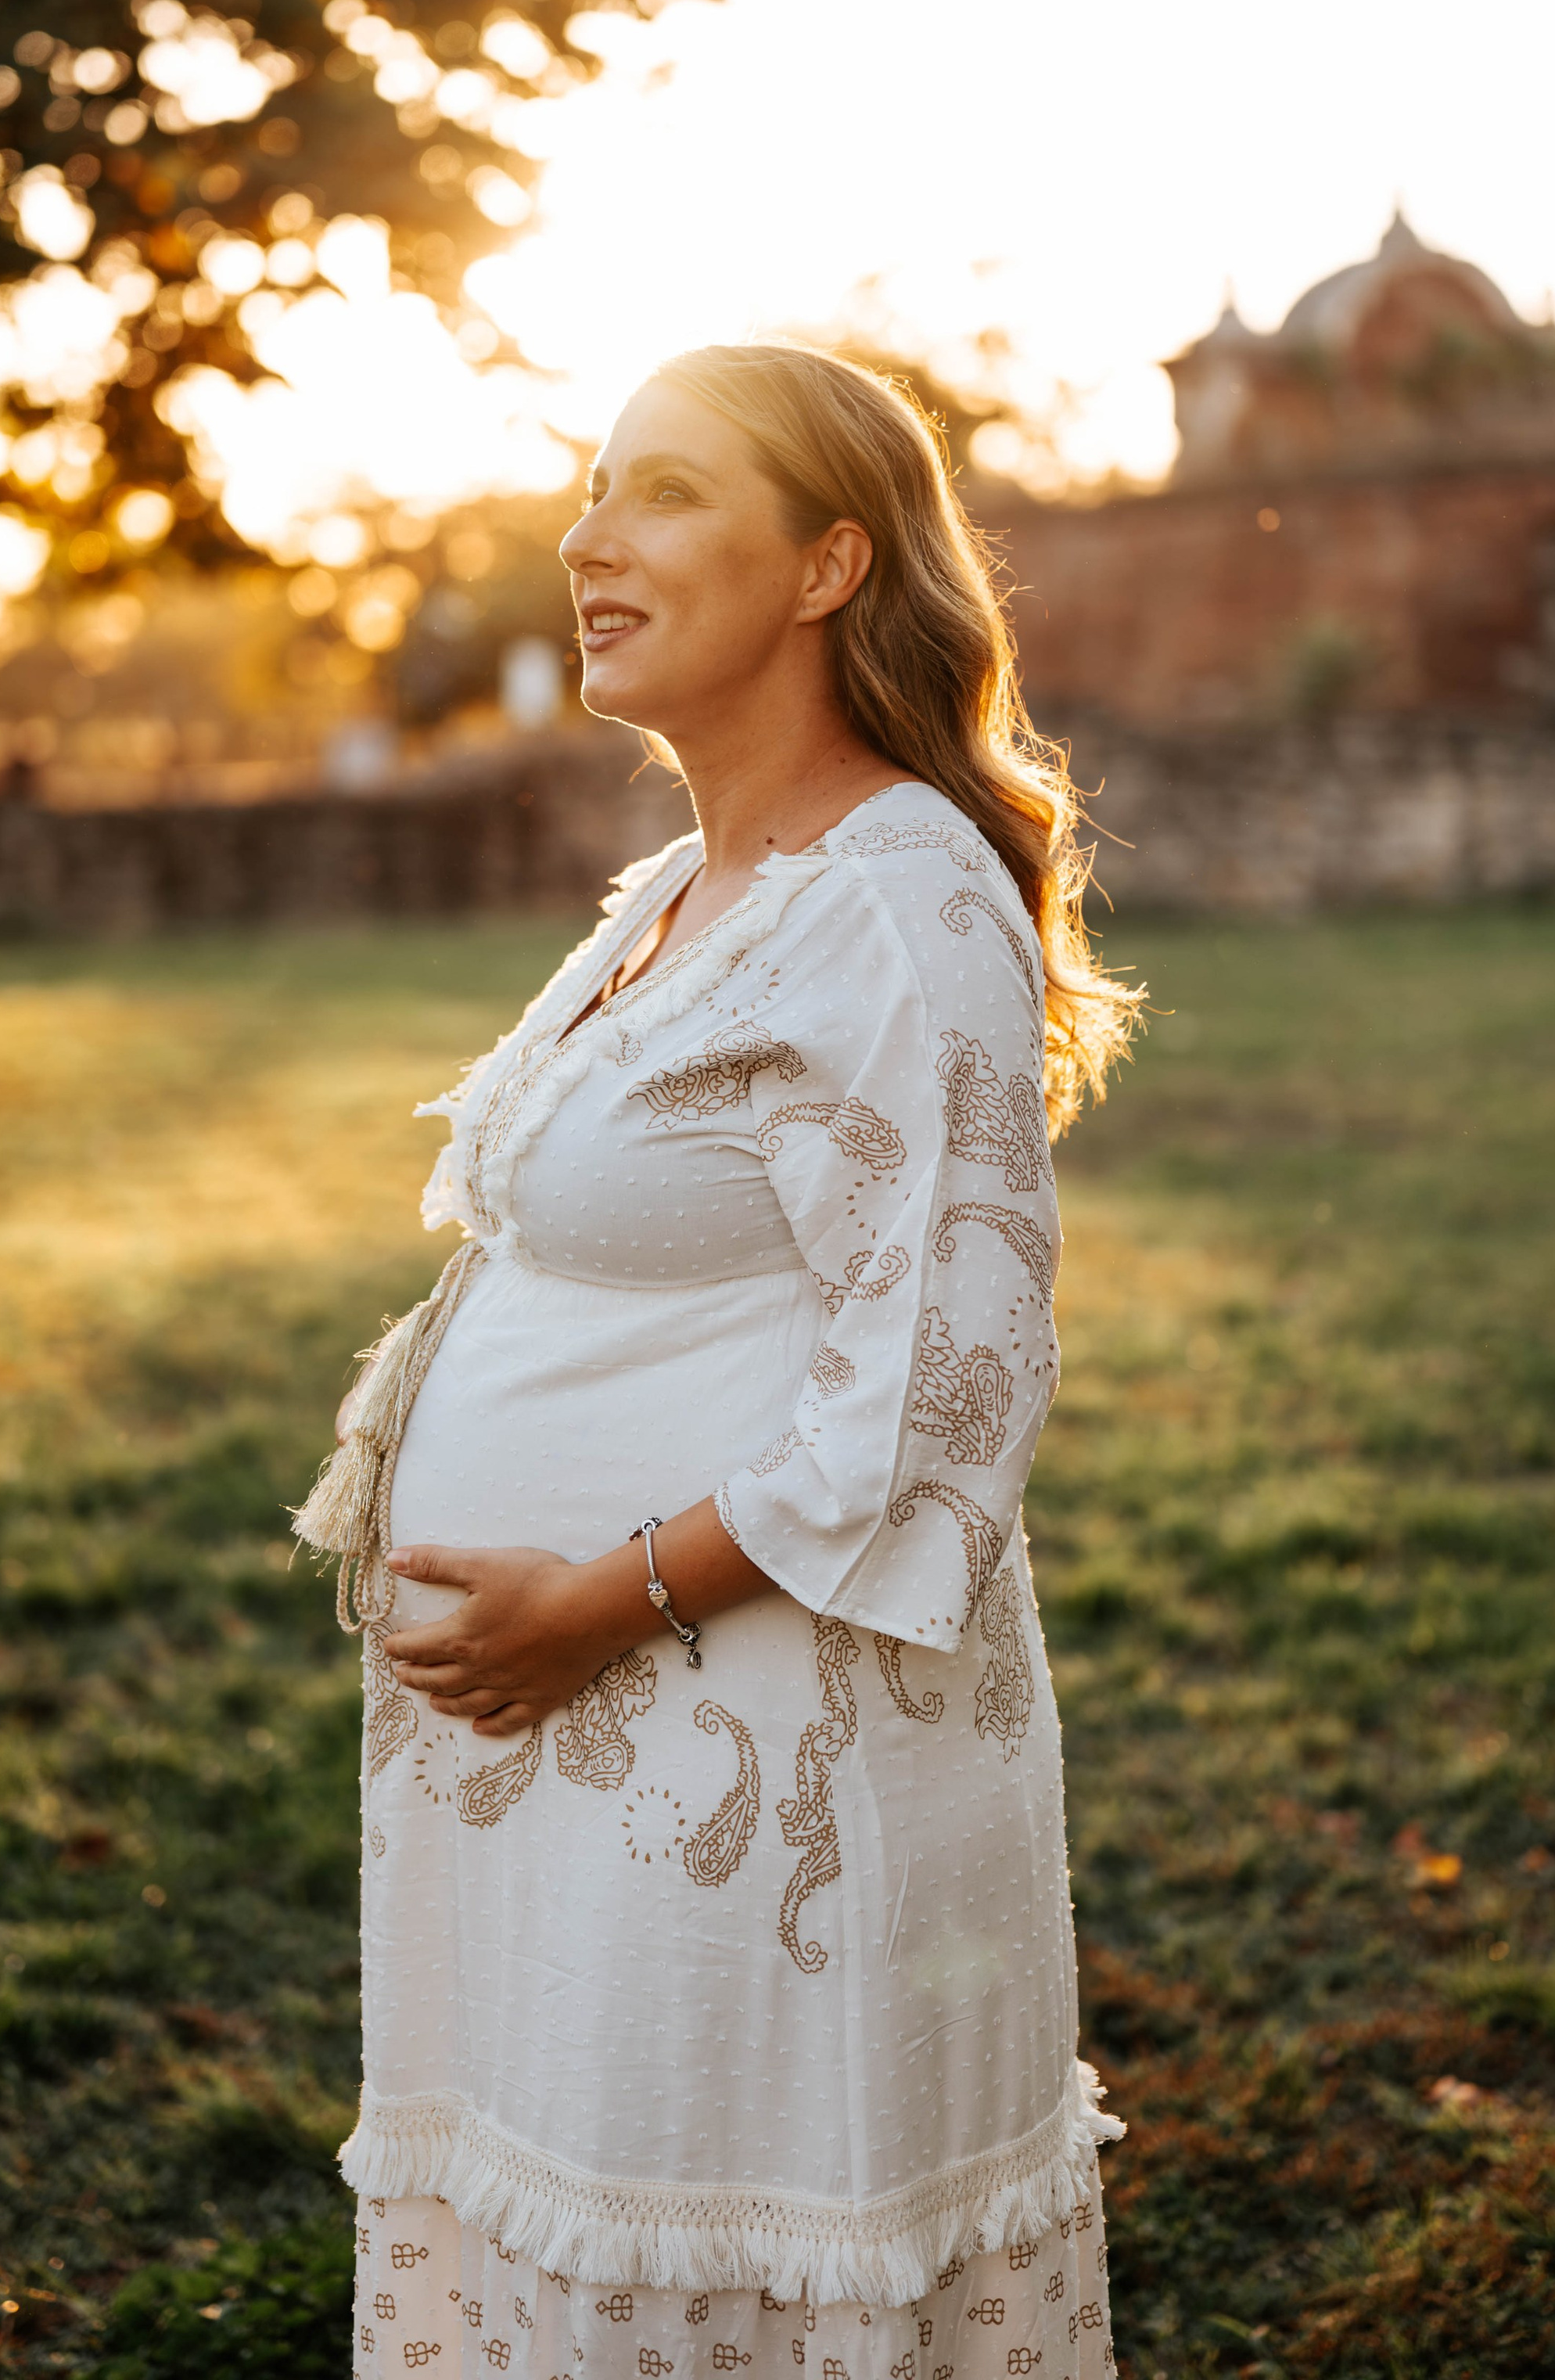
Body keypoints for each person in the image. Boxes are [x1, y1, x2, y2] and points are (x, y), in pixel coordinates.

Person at [296, 343, 1140, 2380]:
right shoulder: (685, 892)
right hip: (580, 1763)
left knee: (743, 2284)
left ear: (832, 559)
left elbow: (947, 1381)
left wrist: (604, 1599)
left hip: (758, 1755)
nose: (589, 539)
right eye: (593, 489)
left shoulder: (906, 895)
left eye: (664, 492)